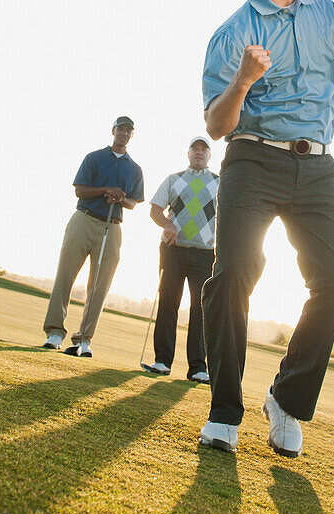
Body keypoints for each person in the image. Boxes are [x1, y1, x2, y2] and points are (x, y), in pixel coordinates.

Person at [198, 0, 334, 457]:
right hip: (253, 159)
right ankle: (225, 410)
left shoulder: (327, 14)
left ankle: (286, 398)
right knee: (233, 272)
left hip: (318, 167)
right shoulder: (233, 32)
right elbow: (216, 124)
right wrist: (245, 80)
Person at [42, 116, 144, 357]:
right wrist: (106, 189)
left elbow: (133, 202)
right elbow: (80, 190)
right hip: (84, 219)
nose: (125, 133)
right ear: (113, 131)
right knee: (65, 276)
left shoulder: (135, 168)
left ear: (132, 135)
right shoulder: (94, 157)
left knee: (99, 285)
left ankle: (84, 339)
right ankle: (55, 333)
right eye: (121, 129)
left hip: (113, 226)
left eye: (129, 130)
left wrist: (120, 198)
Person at [142, 137, 219, 383]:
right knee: (168, 303)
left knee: (201, 310)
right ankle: (162, 361)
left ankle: (197, 367)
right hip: (173, 250)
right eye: (195, 149)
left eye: (203, 149)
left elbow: (230, 217)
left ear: (209, 156)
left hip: (205, 254)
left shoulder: (221, 183)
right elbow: (155, 209)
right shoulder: (174, 180)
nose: (199, 152)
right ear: (188, 154)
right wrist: (167, 224)